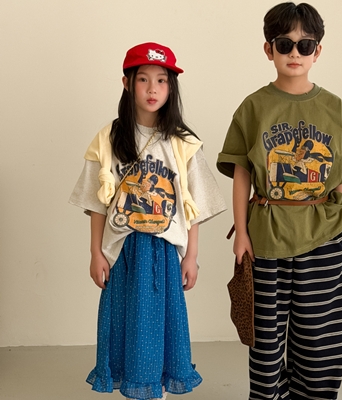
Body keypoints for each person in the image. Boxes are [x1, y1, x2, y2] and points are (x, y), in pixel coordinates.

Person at [217, 3, 342, 400]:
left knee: (321, 333)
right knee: (265, 335)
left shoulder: (334, 107)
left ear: (317, 51)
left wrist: (339, 224)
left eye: (305, 45)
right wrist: (241, 233)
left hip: (323, 236)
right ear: (268, 49)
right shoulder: (253, 107)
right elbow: (242, 172)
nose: (295, 53)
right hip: (266, 237)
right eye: (284, 44)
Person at [70, 42, 226, 400]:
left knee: (161, 325)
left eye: (161, 80)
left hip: (164, 252)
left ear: (171, 87)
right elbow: (96, 204)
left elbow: (194, 207)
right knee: (125, 324)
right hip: (123, 250)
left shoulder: (183, 143)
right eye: (143, 79)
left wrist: (191, 256)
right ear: (127, 83)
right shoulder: (108, 138)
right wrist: (96, 253)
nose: (152, 89)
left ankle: (156, 391)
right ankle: (136, 388)